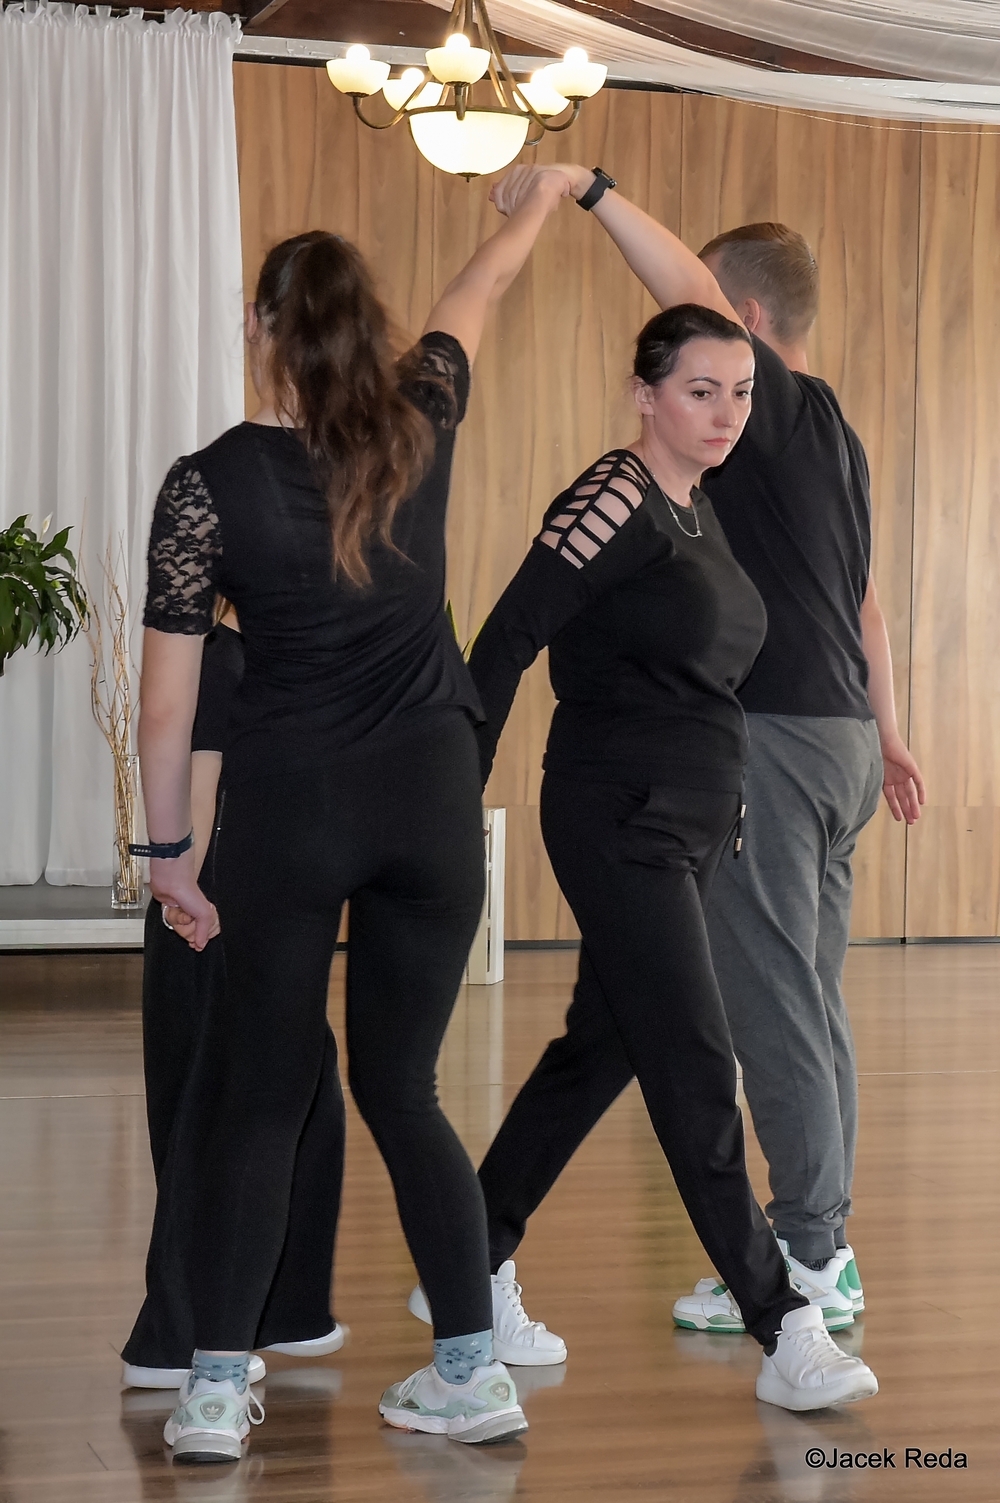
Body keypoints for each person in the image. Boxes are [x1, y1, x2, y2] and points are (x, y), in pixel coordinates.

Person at [129, 175, 569, 1465]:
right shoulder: (422, 416)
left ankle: (218, 1392)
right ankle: (471, 1372)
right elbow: (481, 289)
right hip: (432, 805)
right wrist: (544, 196)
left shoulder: (207, 483)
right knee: (404, 1089)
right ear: (371, 329)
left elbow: (166, 711)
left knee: (259, 1098)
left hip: (295, 811)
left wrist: (169, 858)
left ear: (260, 328)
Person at [471, 164, 922, 1344]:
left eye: (717, 336)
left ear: (748, 324)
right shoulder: (837, 443)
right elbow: (867, 609)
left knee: (771, 1012)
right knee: (803, 1002)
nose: (712, 383)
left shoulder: (779, 412)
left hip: (775, 743)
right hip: (839, 742)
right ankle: (821, 1247)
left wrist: (587, 189)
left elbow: (680, 283)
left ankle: (807, 1257)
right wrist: (887, 735)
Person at [122, 608, 346, 1391]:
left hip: (259, 904)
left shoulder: (274, 650)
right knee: (215, 1117)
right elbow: (200, 782)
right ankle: (173, 1340)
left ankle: (284, 1310)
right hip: (214, 910)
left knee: (307, 1090)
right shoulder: (221, 656)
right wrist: (187, 897)